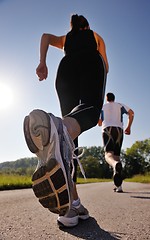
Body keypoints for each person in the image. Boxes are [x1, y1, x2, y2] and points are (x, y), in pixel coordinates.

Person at [23, 14, 109, 227]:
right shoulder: (96, 37)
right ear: (86, 26)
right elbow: (105, 67)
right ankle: (62, 128)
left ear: (71, 27)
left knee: (69, 136)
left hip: (65, 69)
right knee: (87, 112)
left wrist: (42, 62)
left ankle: (72, 205)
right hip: (91, 62)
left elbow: (44, 36)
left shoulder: (65, 40)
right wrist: (96, 108)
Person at [98, 92, 134, 192]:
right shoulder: (120, 105)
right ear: (114, 98)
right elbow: (131, 113)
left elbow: (99, 123)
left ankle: (114, 164)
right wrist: (128, 127)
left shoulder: (103, 107)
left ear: (106, 98)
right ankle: (119, 186)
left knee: (108, 155)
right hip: (119, 130)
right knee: (117, 155)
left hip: (107, 130)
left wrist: (100, 120)